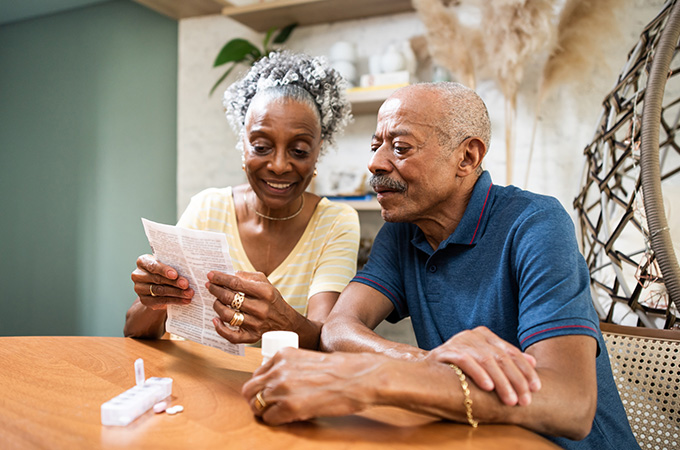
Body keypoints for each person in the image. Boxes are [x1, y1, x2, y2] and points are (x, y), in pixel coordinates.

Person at [241, 82, 639, 449]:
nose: (376, 164)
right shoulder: (402, 230)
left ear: (467, 157)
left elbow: (569, 403)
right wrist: (423, 362)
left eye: (400, 147)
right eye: (376, 145)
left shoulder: (535, 224)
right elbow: (339, 328)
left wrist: (376, 377)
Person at [124, 51, 360, 350]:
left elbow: (326, 340)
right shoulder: (208, 208)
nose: (278, 165)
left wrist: (281, 319)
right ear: (243, 144)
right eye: (261, 146)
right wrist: (154, 297)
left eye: (299, 150)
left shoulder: (335, 222)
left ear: (318, 152)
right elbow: (133, 330)